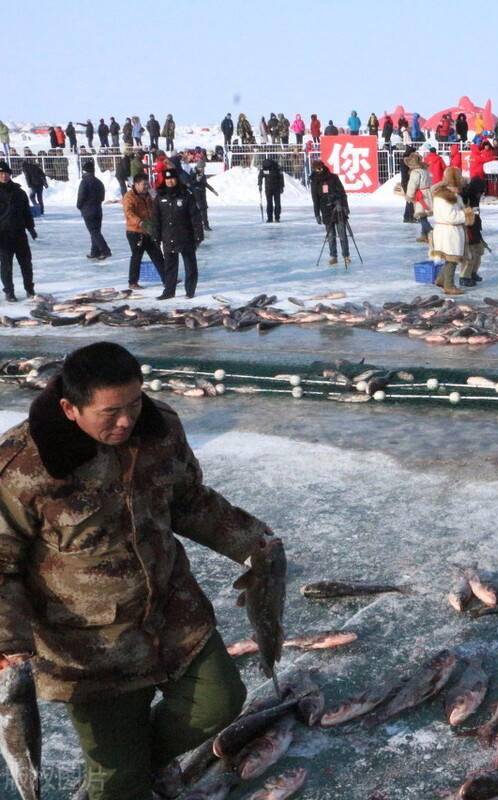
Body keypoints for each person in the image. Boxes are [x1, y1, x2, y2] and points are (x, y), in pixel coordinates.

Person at [0, 341, 283, 800]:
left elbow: (189, 501)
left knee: (219, 702)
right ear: (70, 408)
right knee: (116, 778)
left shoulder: (161, 429)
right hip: (90, 646)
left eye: (135, 403)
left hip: (174, 614)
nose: (127, 420)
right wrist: (7, 643)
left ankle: (131, 772)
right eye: (111, 412)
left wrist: (253, 542)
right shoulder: (24, 466)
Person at [150, 168, 201, 299]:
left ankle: (190, 291)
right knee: (170, 266)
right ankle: (169, 291)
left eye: (172, 178)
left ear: (177, 179)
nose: (170, 181)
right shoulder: (160, 197)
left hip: (185, 235)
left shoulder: (186, 195)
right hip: (168, 236)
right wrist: (155, 235)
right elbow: (155, 219)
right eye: (167, 179)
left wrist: (198, 234)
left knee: (190, 265)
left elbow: (195, 216)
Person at [0, 161, 36, 301]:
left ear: (10, 174)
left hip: (19, 235)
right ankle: (9, 292)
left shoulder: (19, 192)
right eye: (1, 173)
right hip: (3, 236)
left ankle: (30, 289)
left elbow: (26, 212)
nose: (3, 176)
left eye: (6, 173)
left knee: (26, 264)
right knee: (6, 266)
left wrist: (31, 228)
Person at [429, 167, 469, 295]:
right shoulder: (445, 198)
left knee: (449, 257)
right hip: (449, 232)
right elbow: (451, 217)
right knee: (452, 259)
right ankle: (449, 285)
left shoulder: (449, 196)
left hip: (448, 231)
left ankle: (441, 279)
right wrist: (466, 215)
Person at [122, 173, 164, 290]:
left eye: (147, 184)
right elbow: (129, 213)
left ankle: (167, 279)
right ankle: (133, 282)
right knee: (137, 256)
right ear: (136, 184)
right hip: (135, 231)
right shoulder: (129, 196)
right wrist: (140, 222)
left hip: (148, 231)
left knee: (157, 255)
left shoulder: (148, 195)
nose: (146, 186)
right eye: (144, 184)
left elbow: (155, 208)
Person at [309, 160, 350, 267]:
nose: (319, 170)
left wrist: (345, 207)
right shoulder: (314, 181)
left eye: (320, 168)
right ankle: (333, 256)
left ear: (323, 167)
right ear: (314, 169)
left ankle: (346, 255)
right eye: (317, 169)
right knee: (330, 235)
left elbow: (343, 193)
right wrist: (317, 214)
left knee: (342, 234)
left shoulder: (333, 177)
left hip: (338, 209)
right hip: (325, 211)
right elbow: (315, 199)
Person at [77, 160, 112, 261]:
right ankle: (95, 252)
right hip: (98, 209)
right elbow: (102, 197)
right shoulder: (98, 182)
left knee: (94, 232)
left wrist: (79, 206)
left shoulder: (84, 182)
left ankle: (105, 250)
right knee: (96, 231)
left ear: (84, 171)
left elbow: (81, 196)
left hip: (88, 210)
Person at [460, 176, 487, 286]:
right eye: (480, 191)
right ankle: (464, 277)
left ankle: (473, 273)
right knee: (469, 255)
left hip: (476, 228)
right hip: (468, 229)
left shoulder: (475, 197)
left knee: (479, 252)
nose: (481, 194)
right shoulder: (466, 197)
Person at [403, 152, 432, 243]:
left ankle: (431, 231)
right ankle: (424, 235)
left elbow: (412, 185)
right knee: (423, 215)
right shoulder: (424, 171)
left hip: (421, 195)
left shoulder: (415, 173)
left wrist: (409, 195)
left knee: (421, 215)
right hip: (426, 193)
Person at [191, 161, 217, 232]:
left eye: (204, 167)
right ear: (199, 167)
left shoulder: (202, 174)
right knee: (200, 209)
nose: (204, 169)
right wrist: (196, 180)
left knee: (204, 208)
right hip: (197, 193)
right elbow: (190, 183)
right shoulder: (193, 173)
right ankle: (200, 225)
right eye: (203, 167)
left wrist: (212, 190)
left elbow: (205, 183)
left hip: (202, 193)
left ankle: (205, 225)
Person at [257, 157, 285, 223]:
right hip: (270, 188)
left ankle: (275, 218)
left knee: (275, 203)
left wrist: (281, 187)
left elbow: (281, 178)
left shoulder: (276, 168)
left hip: (275, 188)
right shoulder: (267, 168)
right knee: (271, 203)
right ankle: (272, 218)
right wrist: (260, 184)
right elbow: (260, 176)